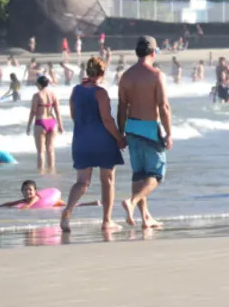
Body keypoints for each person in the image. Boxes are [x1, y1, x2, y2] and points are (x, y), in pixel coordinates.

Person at [60, 57, 126, 232]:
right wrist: (119, 138)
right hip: (103, 140)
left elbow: (74, 115)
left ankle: (67, 212)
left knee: (82, 182)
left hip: (81, 140)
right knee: (108, 180)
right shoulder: (100, 92)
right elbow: (107, 119)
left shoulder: (76, 90)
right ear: (102, 73)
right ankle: (106, 221)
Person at [117, 36, 174, 229]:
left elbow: (122, 107)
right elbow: (163, 106)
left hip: (131, 128)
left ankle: (145, 218)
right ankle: (132, 202)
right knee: (156, 174)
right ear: (153, 52)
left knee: (139, 174)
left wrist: (121, 133)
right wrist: (169, 133)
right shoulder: (156, 75)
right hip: (150, 128)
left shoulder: (126, 76)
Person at [26, 75, 64, 172]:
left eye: (36, 84)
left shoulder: (37, 95)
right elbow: (57, 111)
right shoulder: (53, 94)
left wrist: (29, 125)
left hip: (40, 122)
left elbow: (33, 111)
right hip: (52, 122)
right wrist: (60, 125)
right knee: (50, 150)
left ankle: (41, 173)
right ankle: (52, 171)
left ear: (39, 84)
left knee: (40, 152)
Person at [0, 180, 98, 209]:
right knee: (69, 205)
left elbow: (32, 203)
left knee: (70, 206)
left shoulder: (36, 197)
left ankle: (91, 203)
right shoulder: (24, 200)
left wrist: (25, 207)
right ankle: (92, 203)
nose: (27, 192)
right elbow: (15, 202)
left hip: (51, 202)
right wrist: (5, 204)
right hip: (50, 203)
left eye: (30, 190)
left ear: (35, 191)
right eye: (24, 190)